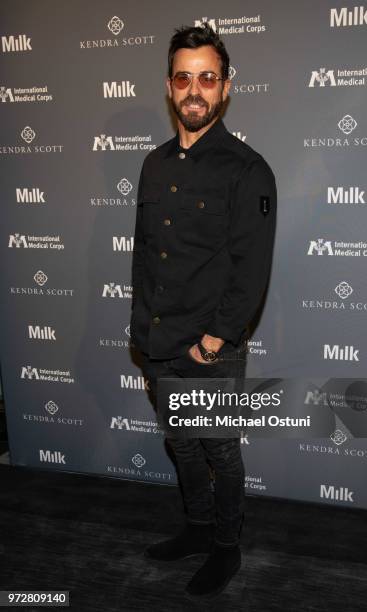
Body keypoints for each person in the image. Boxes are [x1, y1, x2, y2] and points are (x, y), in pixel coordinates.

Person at [130, 23, 277, 598]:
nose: (195, 89)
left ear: (225, 87)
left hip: (207, 350)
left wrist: (213, 342)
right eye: (184, 77)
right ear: (169, 87)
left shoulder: (247, 169)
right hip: (159, 344)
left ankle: (225, 547)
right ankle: (195, 529)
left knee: (219, 448)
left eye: (207, 78)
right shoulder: (154, 164)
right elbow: (144, 254)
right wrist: (141, 331)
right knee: (182, 444)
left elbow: (251, 271)